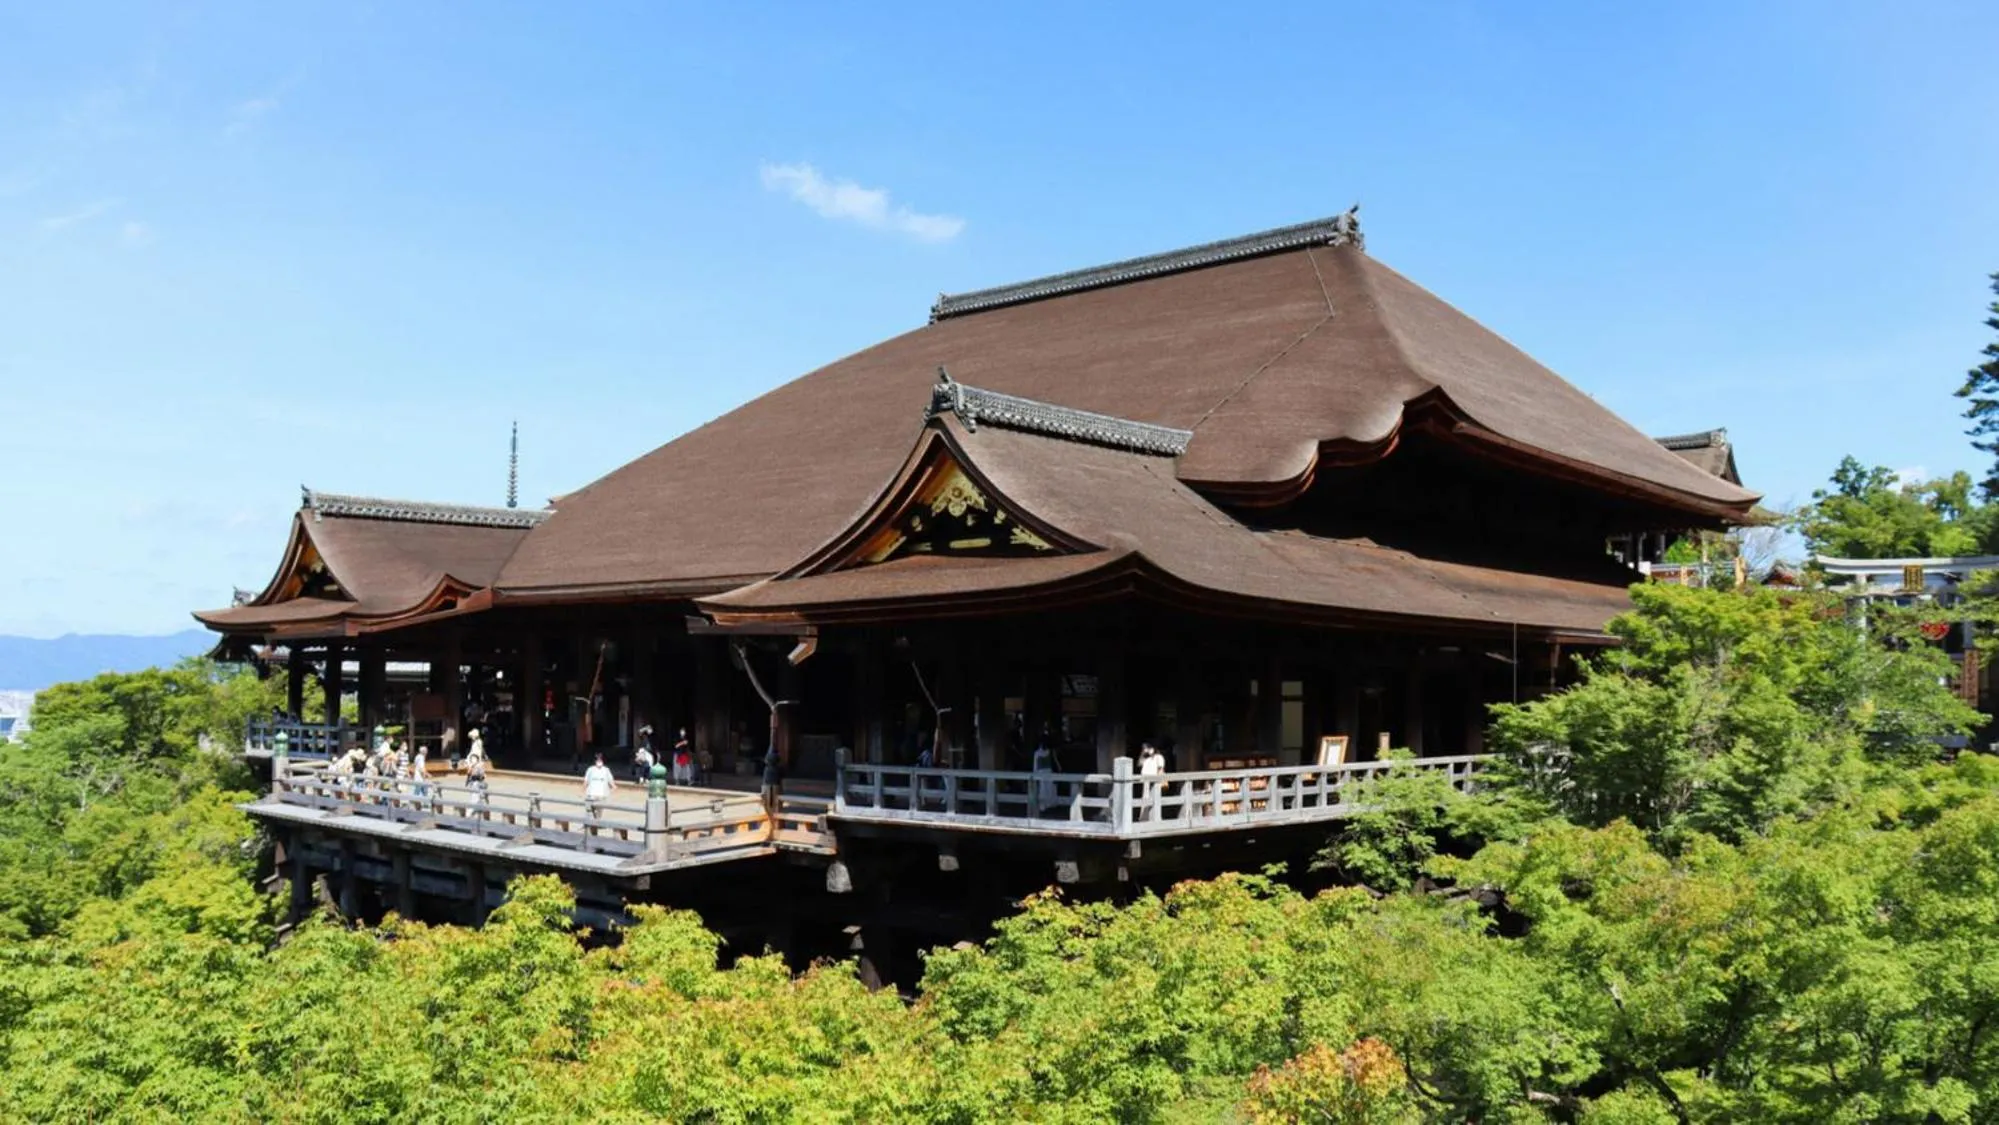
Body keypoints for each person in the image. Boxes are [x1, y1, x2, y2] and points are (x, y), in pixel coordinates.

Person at [582, 752, 616, 819]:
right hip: (591, 794)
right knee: (589, 811)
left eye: (600, 760)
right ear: (595, 761)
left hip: (602, 795)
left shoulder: (606, 770)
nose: (599, 761)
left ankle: (597, 823)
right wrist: (582, 790)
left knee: (599, 813)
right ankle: (588, 825)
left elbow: (610, 780)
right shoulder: (590, 769)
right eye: (597, 760)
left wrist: (614, 787)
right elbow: (586, 781)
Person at [1137, 740, 1165, 820]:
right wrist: (1143, 754)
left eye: (1146, 748)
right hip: (1146, 781)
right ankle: (1144, 817)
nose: (1145, 749)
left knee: (1154, 799)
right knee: (1145, 798)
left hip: (1155, 781)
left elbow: (1160, 768)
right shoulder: (1145, 758)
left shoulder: (1158, 757)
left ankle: (1155, 817)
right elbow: (1139, 764)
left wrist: (1159, 780)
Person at [760, 742, 783, 815]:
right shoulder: (777, 768)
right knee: (773, 804)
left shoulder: (768, 769)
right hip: (773, 786)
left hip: (768, 786)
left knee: (768, 803)